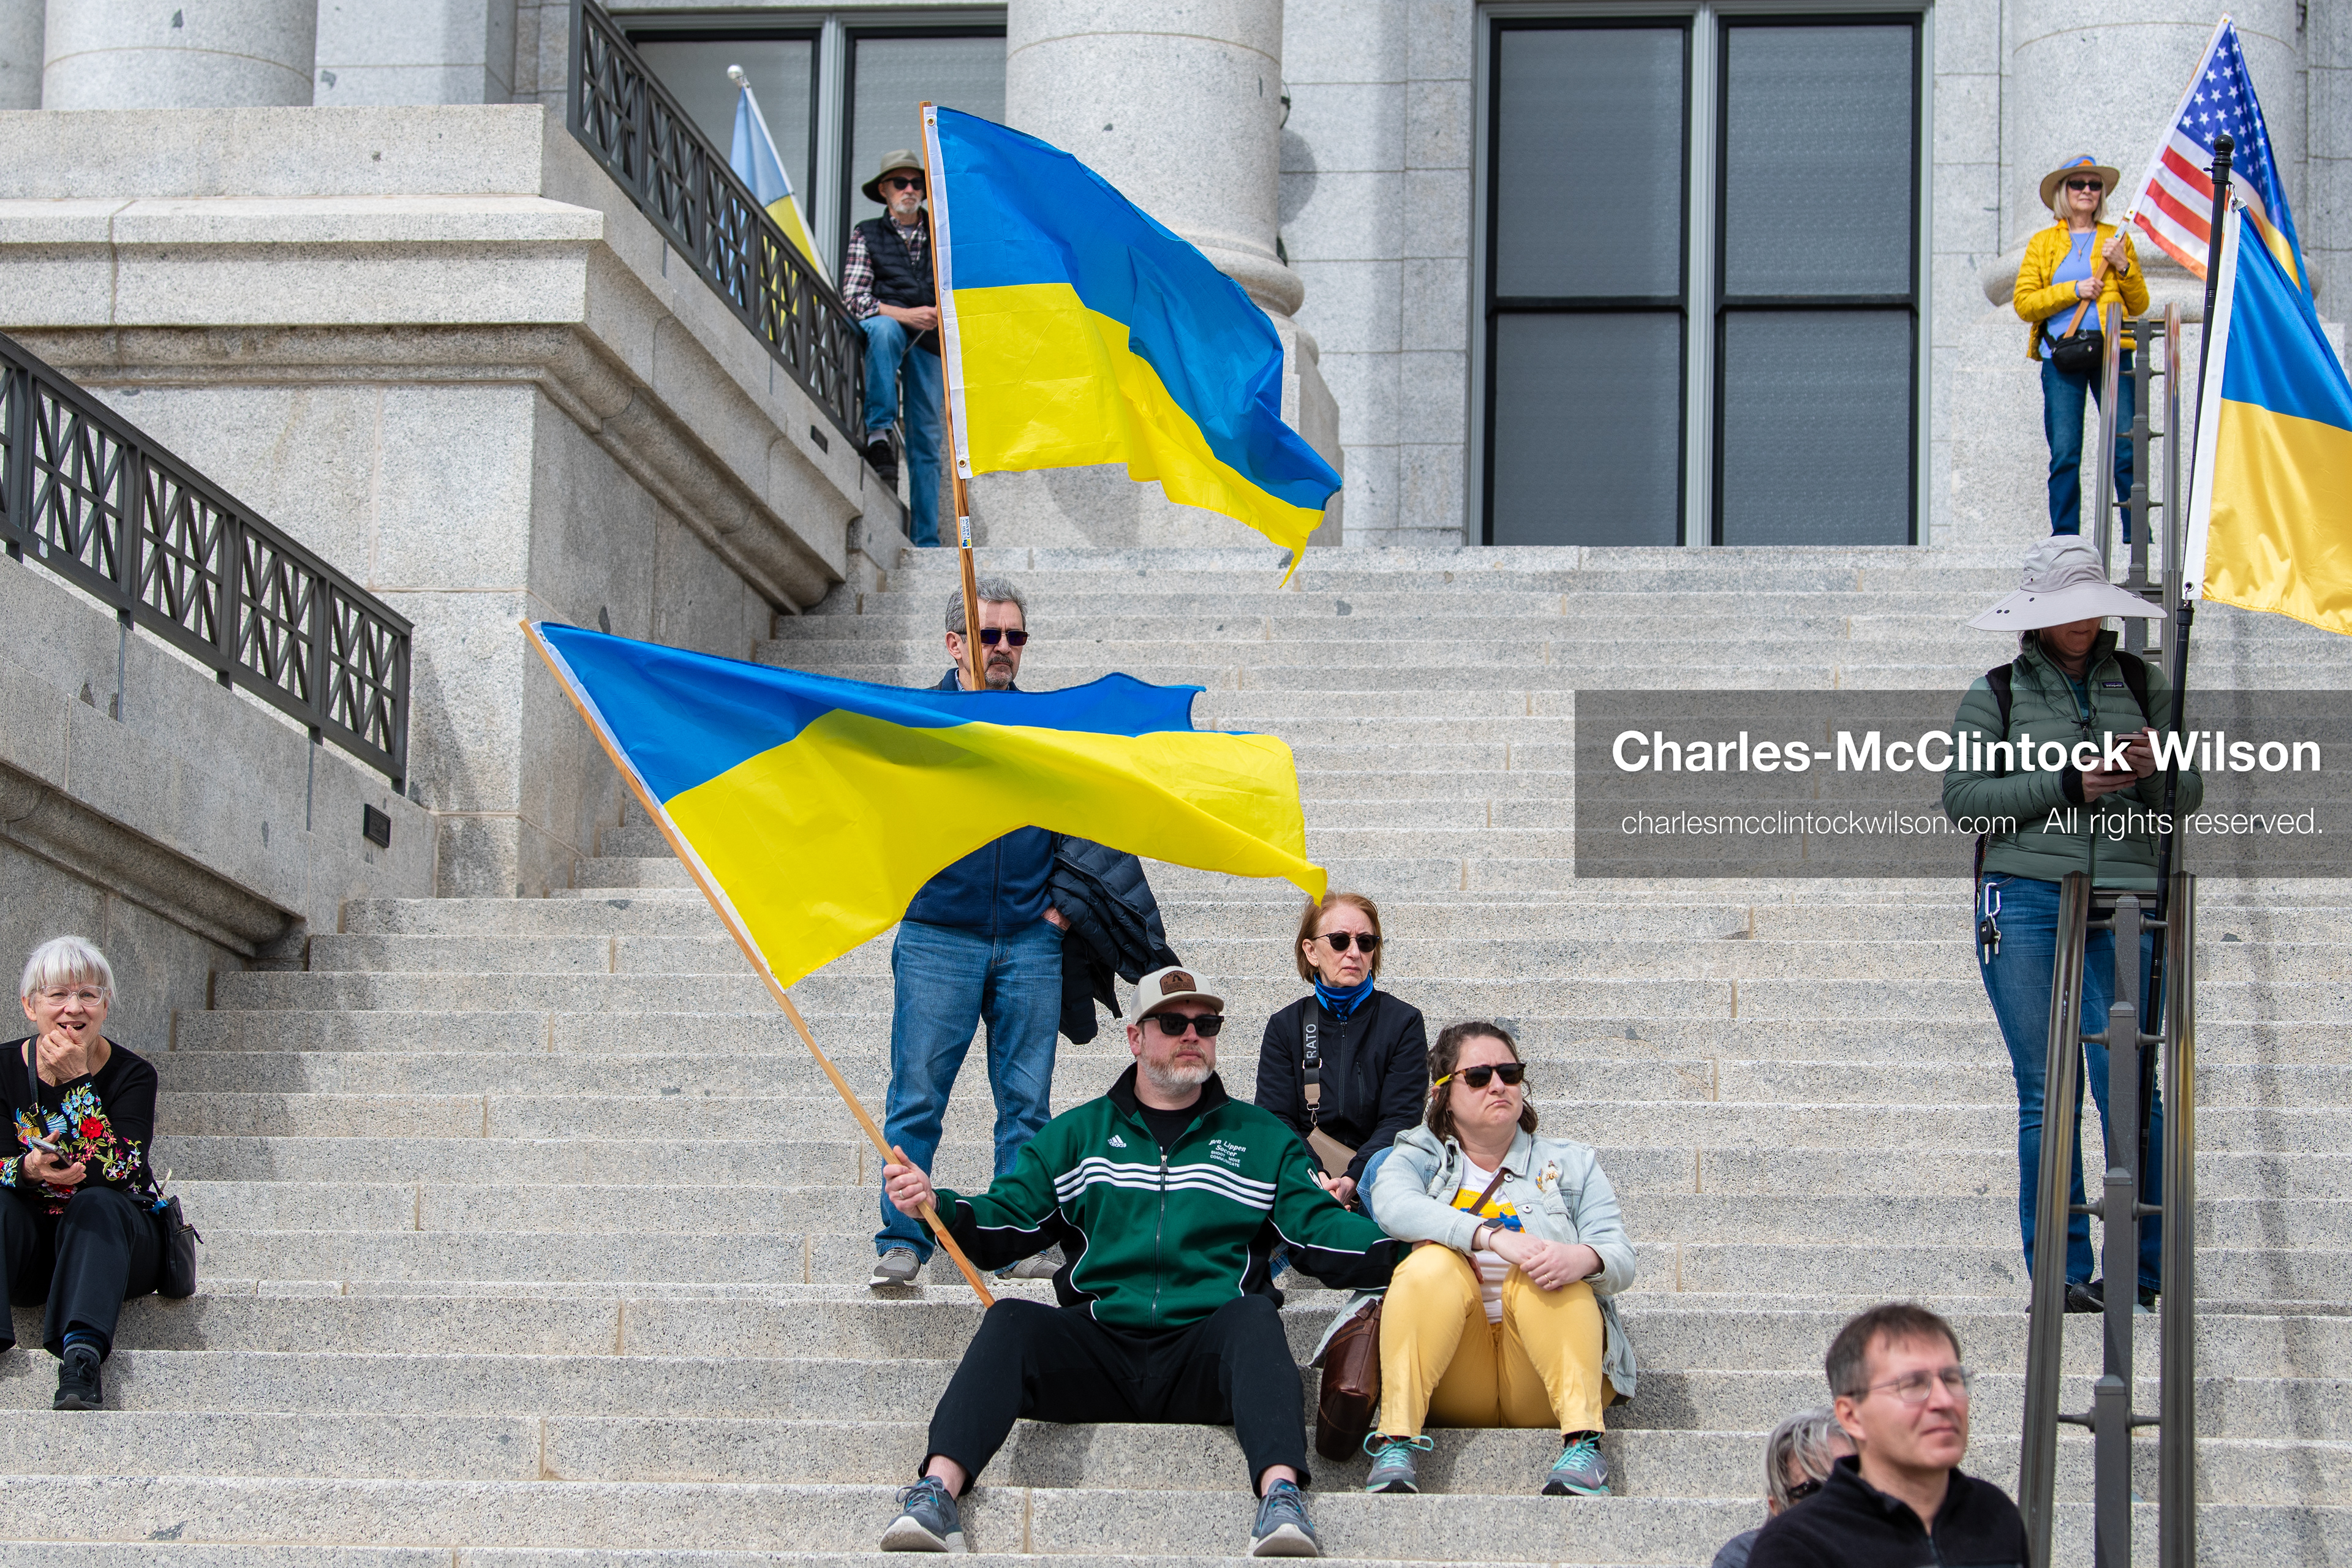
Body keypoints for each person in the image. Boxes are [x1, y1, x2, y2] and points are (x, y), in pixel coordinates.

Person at [876, 967, 1402, 1558]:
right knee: (1011, 1320)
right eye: (1173, 1023)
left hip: (1206, 1354)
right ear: (1135, 1037)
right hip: (1099, 1349)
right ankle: (936, 1493)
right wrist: (936, 1205)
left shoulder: (1263, 1139)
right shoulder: (1079, 1135)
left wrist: (1404, 1251)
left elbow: (1319, 1230)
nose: (1191, 1036)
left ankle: (1280, 1499)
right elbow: (1010, 1219)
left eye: (1206, 1024)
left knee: (1256, 1318)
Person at [1944, 538, 2199, 1313]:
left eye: (2091, 606)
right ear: (2037, 617)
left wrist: (2155, 769)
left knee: (2131, 1085)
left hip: (2129, 897)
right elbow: (1962, 800)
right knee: (2046, 1090)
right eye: (2067, 610)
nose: (2083, 622)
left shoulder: (2142, 682)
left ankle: (2146, 1271)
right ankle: (2059, 1275)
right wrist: (2065, 783)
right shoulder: (1995, 692)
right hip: (2024, 895)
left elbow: (2188, 795)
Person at [870, 578, 1070, 1287]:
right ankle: (902, 1240)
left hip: (1030, 939)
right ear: (955, 643)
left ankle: (1015, 1239)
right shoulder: (915, 721)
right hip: (937, 937)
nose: (1007, 648)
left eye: (1017, 636)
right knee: (917, 1096)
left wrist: (1063, 907)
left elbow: (1090, 818)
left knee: (1028, 1106)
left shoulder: (1046, 723)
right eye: (992, 635)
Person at [1356, 1020, 1635, 1498]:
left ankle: (1584, 1445)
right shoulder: (1418, 1157)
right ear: (1442, 1092)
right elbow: (1392, 1205)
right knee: (1430, 1265)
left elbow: (1621, 1256)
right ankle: (1396, 1439)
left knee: (1550, 1268)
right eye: (1479, 1077)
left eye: (1509, 1072)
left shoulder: (1571, 1164)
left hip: (1541, 1375)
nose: (1499, 1086)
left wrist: (1583, 1258)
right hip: (1451, 1374)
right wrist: (1487, 1237)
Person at [5, 937, 162, 1411]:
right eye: (57, 995)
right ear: (30, 1006)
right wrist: (28, 1169)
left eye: (88, 995)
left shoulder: (135, 1074)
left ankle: (81, 1359)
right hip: (30, 1249)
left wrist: (78, 1082)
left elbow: (123, 1172)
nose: (73, 1008)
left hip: (115, 1245)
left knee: (98, 1199)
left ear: (105, 1005)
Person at [1747, 1303, 2027, 1567]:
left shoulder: (1993, 1513)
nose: (1944, 1401)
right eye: (1913, 1385)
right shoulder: (1798, 1544)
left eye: (1953, 1379)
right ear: (1851, 1416)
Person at [1254, 892, 1428, 1209]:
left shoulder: (1403, 1022)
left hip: (1379, 1174)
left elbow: (1401, 1118)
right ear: (1311, 952)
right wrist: (1315, 1174)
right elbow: (1275, 1118)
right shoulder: (1286, 1026)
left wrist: (1353, 1179)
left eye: (1365, 942)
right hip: (1305, 1172)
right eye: (1339, 941)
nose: (1354, 953)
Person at [2014, 154, 2150, 537]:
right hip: (2061, 356)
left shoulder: (2117, 239)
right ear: (2064, 192)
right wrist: (2074, 290)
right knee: (2065, 454)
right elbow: (2025, 303)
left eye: (2095, 185)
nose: (2088, 191)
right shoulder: (2043, 243)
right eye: (2079, 184)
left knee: (2126, 445)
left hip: (2112, 353)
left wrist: (2123, 266)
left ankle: (2136, 540)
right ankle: (2065, 540)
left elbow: (2139, 305)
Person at [842, 149, 944, 547]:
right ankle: (879, 430)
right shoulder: (866, 232)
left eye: (916, 183)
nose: (910, 189)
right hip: (894, 328)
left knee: (927, 439)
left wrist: (939, 312)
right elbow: (854, 297)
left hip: (933, 342)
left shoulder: (942, 234)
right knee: (883, 331)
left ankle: (926, 539)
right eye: (900, 183)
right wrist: (908, 314)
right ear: (884, 190)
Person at [1711, 1407, 1856, 1568]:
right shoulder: (1745, 1558)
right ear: (1777, 1506)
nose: (1835, 1499)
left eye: (1848, 1481)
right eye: (1813, 1489)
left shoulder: (1883, 1545)